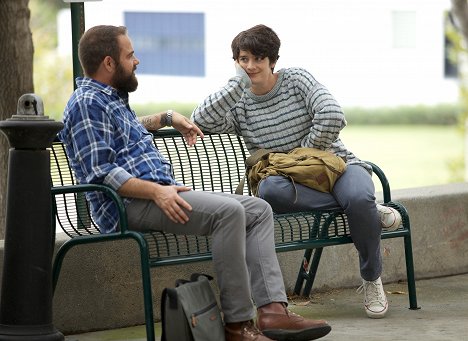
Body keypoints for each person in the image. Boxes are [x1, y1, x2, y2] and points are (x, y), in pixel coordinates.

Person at [59, 25, 332, 341]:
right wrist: (157, 191)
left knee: (258, 209)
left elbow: (128, 129)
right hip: (129, 205)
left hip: (158, 195)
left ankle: (272, 313)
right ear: (109, 63)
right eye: (130, 55)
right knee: (228, 213)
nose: (137, 61)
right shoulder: (86, 102)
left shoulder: (108, 100)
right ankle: (238, 325)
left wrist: (166, 118)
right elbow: (100, 171)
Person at [191, 24, 403, 319]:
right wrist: (236, 84)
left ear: (272, 61)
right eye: (243, 59)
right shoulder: (238, 103)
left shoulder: (296, 79)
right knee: (268, 191)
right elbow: (201, 120)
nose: (250, 66)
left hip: (338, 167)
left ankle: (370, 278)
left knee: (356, 192)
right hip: (289, 184)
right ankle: (366, 209)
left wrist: (304, 155)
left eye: (257, 59)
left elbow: (332, 114)